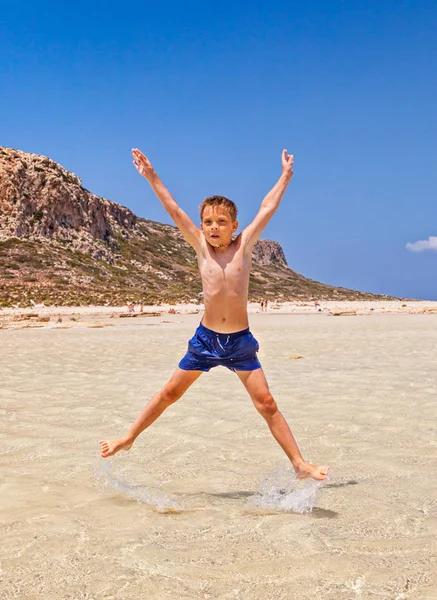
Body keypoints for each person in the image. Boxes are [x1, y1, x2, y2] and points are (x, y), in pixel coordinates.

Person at [100, 148, 329, 481]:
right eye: (208, 222)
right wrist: (150, 175)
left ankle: (299, 464)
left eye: (222, 222)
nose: (213, 227)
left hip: (239, 342)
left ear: (234, 225)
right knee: (169, 393)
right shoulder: (199, 246)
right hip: (206, 340)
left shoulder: (245, 245)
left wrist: (285, 176)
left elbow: (267, 207)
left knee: (266, 402)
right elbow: (173, 208)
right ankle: (129, 437)